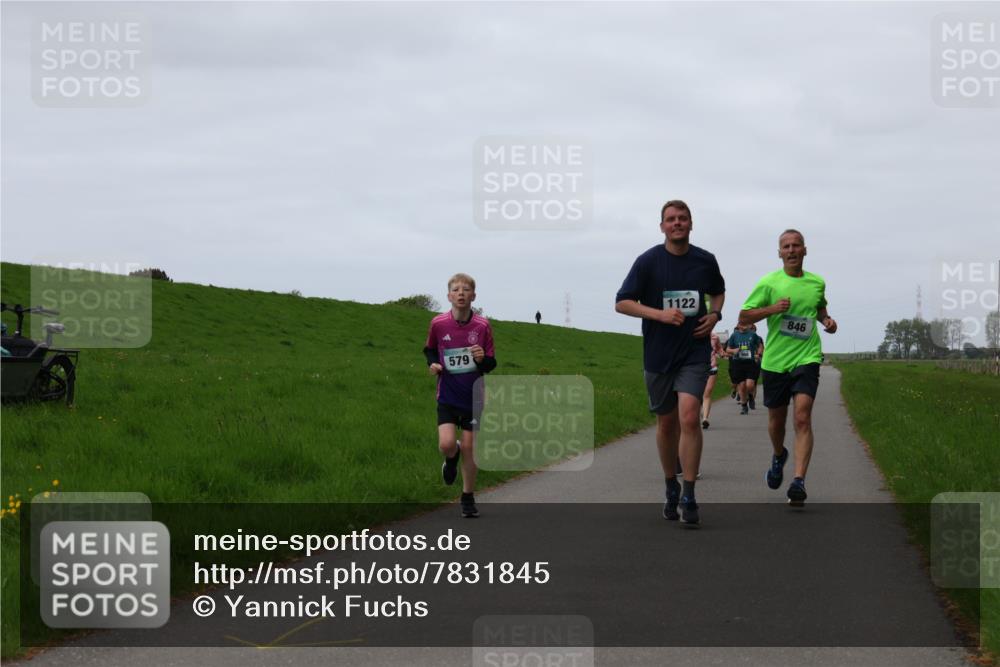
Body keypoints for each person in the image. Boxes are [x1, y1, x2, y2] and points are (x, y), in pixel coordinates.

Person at [615, 200, 725, 526]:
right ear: (662, 226)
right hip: (658, 355)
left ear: (691, 224)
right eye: (670, 219)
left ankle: (689, 494)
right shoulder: (647, 262)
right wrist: (659, 314)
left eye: (683, 218)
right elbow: (622, 302)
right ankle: (670, 484)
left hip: (694, 352)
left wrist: (716, 314)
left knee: (689, 417)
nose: (677, 223)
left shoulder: (705, 261)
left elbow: (718, 292)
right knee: (666, 424)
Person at [738, 229, 837, 506]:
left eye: (796, 246)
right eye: (786, 246)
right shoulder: (769, 283)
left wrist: (828, 322)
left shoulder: (817, 283)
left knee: (802, 417)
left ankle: (798, 481)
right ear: (779, 253)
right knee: (776, 421)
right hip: (775, 362)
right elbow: (744, 315)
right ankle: (779, 454)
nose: (792, 250)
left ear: (805, 250)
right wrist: (772, 309)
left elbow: (820, 309)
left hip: (807, 358)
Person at [423, 273, 497, 517]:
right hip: (447, 394)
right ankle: (450, 457)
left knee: (469, 447)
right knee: (446, 444)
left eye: (466, 290)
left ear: (473, 295)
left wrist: (480, 359)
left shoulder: (483, 326)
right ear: (449, 296)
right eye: (456, 289)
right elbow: (430, 349)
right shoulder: (438, 323)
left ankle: (467, 497)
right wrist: (433, 365)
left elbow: (490, 364)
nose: (461, 293)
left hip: (474, 397)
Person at [726, 322, 765, 415]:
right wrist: (733, 350)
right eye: (742, 324)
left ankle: (751, 395)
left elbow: (760, 345)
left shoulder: (753, 335)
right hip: (738, 363)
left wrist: (759, 354)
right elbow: (727, 349)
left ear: (749, 325)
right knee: (742, 386)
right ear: (738, 325)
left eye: (746, 323)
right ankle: (744, 406)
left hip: (750, 363)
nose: (744, 326)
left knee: (750, 385)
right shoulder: (734, 335)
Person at [700, 330, 726, 429]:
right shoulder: (691, 335)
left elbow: (719, 349)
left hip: (712, 367)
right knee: (697, 395)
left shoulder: (715, 337)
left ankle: (705, 419)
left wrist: (722, 354)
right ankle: (701, 413)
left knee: (707, 393)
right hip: (696, 369)